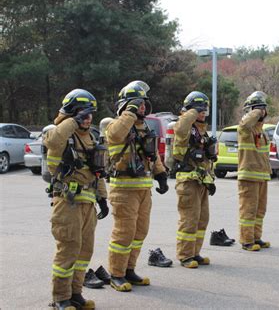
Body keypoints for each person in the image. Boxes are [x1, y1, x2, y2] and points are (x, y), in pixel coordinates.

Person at [44, 89, 109, 310]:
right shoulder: (60, 132)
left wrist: (102, 198)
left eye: (91, 114)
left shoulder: (90, 137)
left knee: (84, 251)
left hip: (88, 203)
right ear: (72, 112)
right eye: (84, 113)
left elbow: (97, 171)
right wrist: (72, 120)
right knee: (68, 250)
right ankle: (60, 298)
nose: (89, 118)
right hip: (67, 202)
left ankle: (75, 294)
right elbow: (53, 141)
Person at [106, 80, 169, 292]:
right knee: (124, 232)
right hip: (123, 190)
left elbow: (152, 154)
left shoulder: (145, 128)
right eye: (137, 103)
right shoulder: (115, 125)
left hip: (143, 189)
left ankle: (129, 270)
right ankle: (116, 274)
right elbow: (115, 135)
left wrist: (160, 174)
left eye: (143, 103)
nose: (142, 106)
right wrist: (129, 111)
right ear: (126, 106)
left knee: (140, 231)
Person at [173, 91, 216, 268]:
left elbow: (207, 160)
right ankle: (185, 255)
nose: (203, 112)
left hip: (202, 181)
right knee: (189, 219)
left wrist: (211, 178)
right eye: (199, 109)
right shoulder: (184, 127)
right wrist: (191, 111)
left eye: (205, 108)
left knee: (202, 219)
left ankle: (195, 253)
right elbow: (181, 127)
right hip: (187, 181)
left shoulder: (202, 131)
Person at [237, 91, 272, 251]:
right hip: (248, 177)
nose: (262, 112)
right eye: (258, 109)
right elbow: (244, 124)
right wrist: (257, 110)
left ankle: (256, 237)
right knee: (248, 210)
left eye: (263, 109)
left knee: (260, 210)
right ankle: (247, 240)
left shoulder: (261, 131)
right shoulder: (246, 130)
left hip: (262, 176)